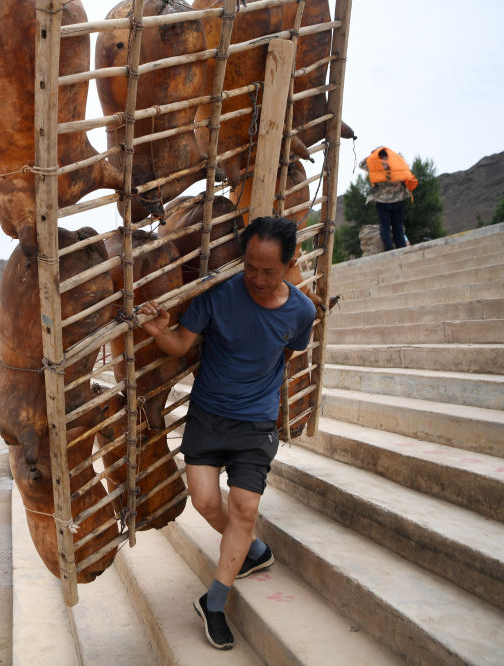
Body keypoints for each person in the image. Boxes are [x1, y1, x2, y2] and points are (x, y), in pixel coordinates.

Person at [137, 216, 316, 650]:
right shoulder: (218, 295)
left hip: (256, 423)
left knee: (243, 508)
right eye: (250, 267)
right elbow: (181, 345)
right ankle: (251, 551)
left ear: (289, 264)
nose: (257, 278)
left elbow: (289, 351)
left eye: (268, 270)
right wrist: (160, 332)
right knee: (204, 501)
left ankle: (214, 602)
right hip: (208, 415)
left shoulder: (302, 311)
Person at [360, 146, 417, 251]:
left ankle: (389, 249)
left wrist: (373, 155)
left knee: (385, 227)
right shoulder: (396, 162)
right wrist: (393, 154)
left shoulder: (374, 164)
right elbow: (404, 165)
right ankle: (402, 248)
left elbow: (361, 164)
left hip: (382, 201)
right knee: (398, 226)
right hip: (399, 199)